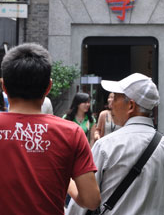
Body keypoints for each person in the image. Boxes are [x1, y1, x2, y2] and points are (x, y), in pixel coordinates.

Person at [0, 43, 100, 214]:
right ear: (48, 87)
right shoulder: (71, 133)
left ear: (4, 86)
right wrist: (67, 181)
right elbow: (91, 200)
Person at [66, 73, 164, 215]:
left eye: (115, 98)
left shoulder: (106, 146)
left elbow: (81, 206)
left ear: (131, 105)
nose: (110, 105)